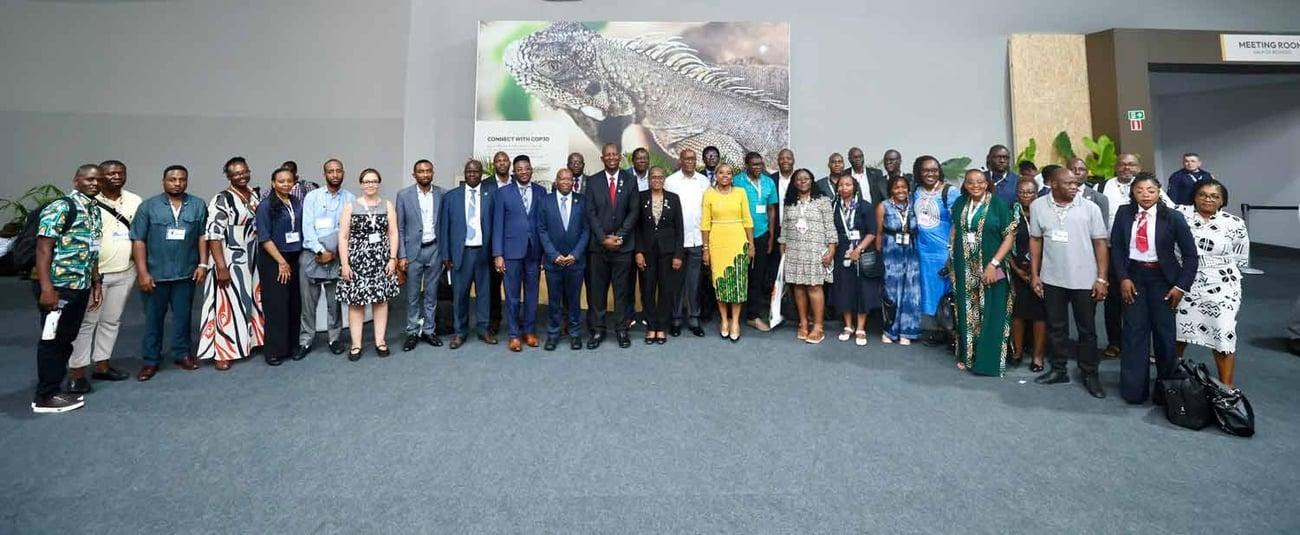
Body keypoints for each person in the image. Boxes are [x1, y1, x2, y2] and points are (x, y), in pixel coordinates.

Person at [1111, 175, 1199, 403]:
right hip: (1134, 277)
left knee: (1164, 334)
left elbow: (1190, 255)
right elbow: (1117, 248)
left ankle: (1167, 391)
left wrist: (1181, 286)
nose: (1145, 195)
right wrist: (1123, 277)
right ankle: (1134, 390)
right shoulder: (1124, 213)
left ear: (1159, 192)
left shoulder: (1173, 217)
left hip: (1163, 279)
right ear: (1133, 193)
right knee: (1134, 332)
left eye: (1151, 190)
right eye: (1140, 190)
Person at [1029, 165, 1110, 398]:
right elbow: (1036, 240)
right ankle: (1059, 369)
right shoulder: (1038, 206)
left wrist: (1102, 278)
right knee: (1056, 328)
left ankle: (1090, 373)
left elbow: (1100, 243)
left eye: (1076, 183)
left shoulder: (1090, 208)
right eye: (1069, 183)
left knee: (1087, 330)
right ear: (1053, 184)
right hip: (1052, 278)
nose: (1075, 187)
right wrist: (1035, 274)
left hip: (1085, 279)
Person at [30, 164, 103, 413]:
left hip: (79, 285)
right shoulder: (61, 207)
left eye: (98, 180)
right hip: (58, 286)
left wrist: (96, 282)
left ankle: (53, 389)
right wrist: (46, 288)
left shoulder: (94, 209)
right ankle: (45, 396)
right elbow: (43, 248)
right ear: (76, 181)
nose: (94, 183)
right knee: (52, 340)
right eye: (89, 179)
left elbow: (92, 250)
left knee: (65, 339)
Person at [131, 165, 209, 381]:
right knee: (153, 319)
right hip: (156, 274)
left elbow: (203, 236)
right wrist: (142, 273)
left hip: (186, 273)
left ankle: (182, 354)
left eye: (182, 179)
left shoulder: (197, 205)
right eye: (172, 179)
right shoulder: (148, 206)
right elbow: (138, 240)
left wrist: (203, 264)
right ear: (163, 181)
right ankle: (150, 360)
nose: (177, 183)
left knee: (183, 317)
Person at [67, 160, 138, 392]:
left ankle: (102, 365)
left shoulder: (134, 200)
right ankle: (77, 372)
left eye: (120, 173)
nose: (116, 177)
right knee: (86, 323)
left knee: (111, 321)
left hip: (125, 271)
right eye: (109, 174)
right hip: (94, 275)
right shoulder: (86, 202)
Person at [1096, 155, 1172, 359]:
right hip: (1113, 250)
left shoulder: (1152, 190)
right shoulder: (1102, 187)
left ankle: (1147, 347)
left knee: (1144, 302)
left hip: (1146, 254)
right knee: (1113, 300)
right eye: (1122, 164)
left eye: (1131, 164)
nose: (1126, 168)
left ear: (1139, 167)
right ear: (1115, 166)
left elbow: (1171, 213)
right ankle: (1115, 342)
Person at [1175, 179, 1248, 386]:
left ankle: (1226, 388)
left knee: (1223, 331)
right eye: (1203, 194)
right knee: (1177, 331)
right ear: (1194, 197)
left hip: (1223, 284)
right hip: (1186, 282)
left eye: (1215, 196)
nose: (1208, 199)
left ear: (1223, 201)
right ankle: (1170, 378)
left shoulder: (1235, 223)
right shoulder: (1180, 217)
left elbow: (1241, 257)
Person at [198, 157, 265, 369]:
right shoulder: (222, 199)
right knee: (227, 303)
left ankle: (249, 342)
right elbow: (213, 235)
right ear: (228, 176)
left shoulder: (253, 194)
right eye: (236, 173)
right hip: (230, 256)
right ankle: (222, 352)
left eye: (244, 171)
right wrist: (221, 267)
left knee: (250, 299)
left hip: (252, 254)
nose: (241, 176)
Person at [949, 170, 1018, 376]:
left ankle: (988, 362)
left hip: (991, 267)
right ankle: (968, 356)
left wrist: (993, 264)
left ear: (987, 183)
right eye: (970, 182)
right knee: (967, 310)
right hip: (964, 266)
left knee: (991, 310)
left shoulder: (998, 205)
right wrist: (950, 255)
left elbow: (1009, 236)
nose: (975, 186)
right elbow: (955, 229)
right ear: (965, 185)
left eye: (980, 182)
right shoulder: (960, 203)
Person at [337, 169, 402, 361]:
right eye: (366, 181)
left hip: (381, 261)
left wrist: (392, 258)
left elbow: (393, 233)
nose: (370, 184)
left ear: (379, 183)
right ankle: (356, 345)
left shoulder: (387, 205)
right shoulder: (351, 206)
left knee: (380, 301)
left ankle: (380, 341)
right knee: (356, 303)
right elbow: (343, 236)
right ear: (361, 184)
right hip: (356, 262)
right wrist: (345, 264)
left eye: (374, 181)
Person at [584, 143, 639, 349]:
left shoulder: (630, 180)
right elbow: (590, 213)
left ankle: (621, 329)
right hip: (599, 248)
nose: (612, 157)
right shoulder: (593, 181)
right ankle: (598, 330)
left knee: (622, 291)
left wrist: (620, 236)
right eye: (608, 155)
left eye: (615, 154)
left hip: (623, 248)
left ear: (619, 157)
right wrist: (603, 238)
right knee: (598, 291)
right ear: (602, 158)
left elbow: (634, 211)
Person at [298, 158, 354, 358]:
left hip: (337, 257)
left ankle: (334, 338)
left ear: (343, 173)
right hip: (312, 256)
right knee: (308, 303)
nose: (335, 174)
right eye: (331, 171)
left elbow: (350, 231)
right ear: (324, 174)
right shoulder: (312, 197)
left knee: (334, 302)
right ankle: (305, 341)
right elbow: (307, 228)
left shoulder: (350, 198)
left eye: (338, 170)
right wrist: (321, 251)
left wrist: (336, 253)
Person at [438, 160, 496, 349]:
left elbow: (497, 226)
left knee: (484, 294)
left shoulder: (491, 195)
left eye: (476, 171)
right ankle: (459, 332)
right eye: (469, 171)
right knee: (460, 295)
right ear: (465, 173)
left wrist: (496, 253)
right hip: (460, 254)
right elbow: (444, 227)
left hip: (483, 253)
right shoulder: (451, 197)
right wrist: (445, 255)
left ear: (481, 174)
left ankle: (483, 329)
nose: (472, 174)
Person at [493, 155, 547, 352]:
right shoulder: (503, 193)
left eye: (527, 168)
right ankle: (514, 334)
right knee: (512, 296)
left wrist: (544, 253)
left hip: (534, 251)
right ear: (514, 172)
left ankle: (529, 331)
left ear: (531, 169)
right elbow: (497, 224)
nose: (524, 172)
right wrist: (498, 254)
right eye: (520, 169)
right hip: (511, 252)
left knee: (532, 295)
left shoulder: (541, 191)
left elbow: (544, 223)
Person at [778, 168, 836, 343]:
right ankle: (803, 322)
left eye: (806, 178)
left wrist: (831, 250)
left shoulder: (822, 201)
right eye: (798, 179)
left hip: (815, 251)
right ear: (794, 183)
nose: (802, 181)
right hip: (794, 251)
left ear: (812, 181)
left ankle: (818, 326)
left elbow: (830, 228)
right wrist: (783, 253)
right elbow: (784, 230)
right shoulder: (789, 203)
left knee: (814, 287)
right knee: (798, 287)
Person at [255, 167, 305, 366]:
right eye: (281, 181)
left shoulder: (295, 201)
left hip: (294, 257)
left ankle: (292, 345)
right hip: (274, 260)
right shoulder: (265, 206)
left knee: (294, 303)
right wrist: (281, 262)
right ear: (273, 183)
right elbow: (264, 237)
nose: (285, 184)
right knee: (276, 305)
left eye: (289, 181)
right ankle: (274, 351)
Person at [701, 163, 755, 342]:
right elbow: (705, 223)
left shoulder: (740, 192)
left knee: (738, 283)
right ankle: (724, 320)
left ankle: (735, 321)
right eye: (721, 173)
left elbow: (747, 220)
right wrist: (706, 249)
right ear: (716, 175)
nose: (725, 176)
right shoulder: (709, 194)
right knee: (720, 283)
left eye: (729, 173)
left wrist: (751, 244)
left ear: (732, 176)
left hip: (738, 242)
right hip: (717, 243)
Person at [396, 159, 446, 351]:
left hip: (435, 250)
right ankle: (412, 332)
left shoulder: (443, 194)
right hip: (412, 252)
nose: (425, 174)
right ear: (414, 174)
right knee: (413, 295)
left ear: (433, 173)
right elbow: (400, 228)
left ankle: (429, 330)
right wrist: (401, 255)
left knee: (432, 294)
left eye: (428, 171)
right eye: (421, 171)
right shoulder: (403, 195)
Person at [912, 155, 960, 345]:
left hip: (943, 250)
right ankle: (934, 329)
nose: (930, 174)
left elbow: (957, 222)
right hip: (923, 251)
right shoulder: (916, 191)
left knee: (946, 290)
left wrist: (952, 249)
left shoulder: (950, 191)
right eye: (926, 170)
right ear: (919, 172)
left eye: (934, 170)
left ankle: (951, 331)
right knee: (928, 290)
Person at [538, 168, 588, 350]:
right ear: (556, 181)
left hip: (575, 261)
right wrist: (554, 255)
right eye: (562, 179)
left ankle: (575, 334)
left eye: (569, 179)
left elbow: (586, 230)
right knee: (554, 301)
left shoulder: (582, 201)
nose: (566, 182)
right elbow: (542, 230)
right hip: (554, 261)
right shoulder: (545, 201)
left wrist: (575, 254)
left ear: (573, 182)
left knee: (574, 301)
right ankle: (553, 334)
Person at [635, 166, 685, 344]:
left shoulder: (673, 198)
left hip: (668, 252)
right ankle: (651, 327)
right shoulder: (641, 197)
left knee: (666, 289)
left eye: (660, 177)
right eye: (653, 177)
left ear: (664, 179)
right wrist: (638, 252)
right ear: (649, 179)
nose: (657, 180)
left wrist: (678, 255)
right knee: (647, 290)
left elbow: (679, 229)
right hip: (646, 252)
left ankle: (661, 327)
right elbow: (637, 228)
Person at [664, 148, 709, 338]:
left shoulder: (704, 181)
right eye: (686, 158)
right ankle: (675, 318)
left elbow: (707, 210)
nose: (690, 161)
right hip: (677, 242)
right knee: (676, 282)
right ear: (680, 160)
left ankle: (693, 318)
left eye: (693, 159)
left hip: (697, 239)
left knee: (694, 282)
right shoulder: (670, 181)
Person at [736, 152, 779, 332]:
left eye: (760, 164)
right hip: (739, 235)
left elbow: (771, 209)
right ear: (746, 165)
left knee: (757, 276)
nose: (758, 167)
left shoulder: (768, 182)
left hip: (761, 234)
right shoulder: (736, 181)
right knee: (739, 275)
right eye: (754, 164)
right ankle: (734, 315)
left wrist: (771, 236)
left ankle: (753, 316)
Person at [1008, 179, 1048, 372]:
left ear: (1037, 193)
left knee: (1040, 314)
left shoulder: (1045, 213)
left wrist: (1035, 273)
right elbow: (1005, 244)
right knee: (1018, 313)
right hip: (1018, 270)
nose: (1026, 195)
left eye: (1030, 192)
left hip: (1042, 272)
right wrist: (1017, 271)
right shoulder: (1011, 215)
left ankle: (1037, 356)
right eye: (1022, 192)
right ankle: (1017, 352)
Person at [877, 176, 921, 344]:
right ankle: (890, 331)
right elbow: (879, 233)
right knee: (891, 292)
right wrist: (879, 257)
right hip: (891, 253)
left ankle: (907, 332)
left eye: (903, 187)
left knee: (911, 291)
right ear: (891, 190)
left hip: (911, 252)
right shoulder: (883, 206)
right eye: (896, 187)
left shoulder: (913, 205)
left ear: (908, 189)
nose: (900, 190)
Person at [483, 151, 513, 335]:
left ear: (509, 163)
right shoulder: (485, 185)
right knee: (493, 285)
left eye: (504, 160)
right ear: (494, 164)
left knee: (515, 285)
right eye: (498, 161)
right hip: (493, 243)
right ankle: (494, 320)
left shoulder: (517, 182)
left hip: (515, 243)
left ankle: (515, 320)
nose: (502, 163)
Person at [625, 148, 652, 327]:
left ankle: (648, 314)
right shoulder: (625, 176)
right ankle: (629, 315)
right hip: (628, 232)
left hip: (648, 234)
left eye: (645, 158)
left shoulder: (655, 177)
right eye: (639, 158)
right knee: (627, 279)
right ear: (632, 160)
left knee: (647, 279)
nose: (642, 161)